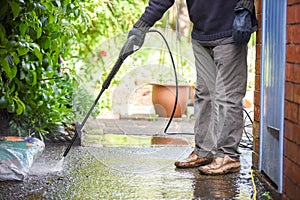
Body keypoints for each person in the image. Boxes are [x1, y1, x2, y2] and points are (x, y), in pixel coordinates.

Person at [121, 0, 258, 175]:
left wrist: (245, 8)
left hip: (230, 29)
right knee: (204, 94)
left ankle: (227, 155)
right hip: (201, 34)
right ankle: (204, 151)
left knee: (227, 96)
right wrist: (141, 27)